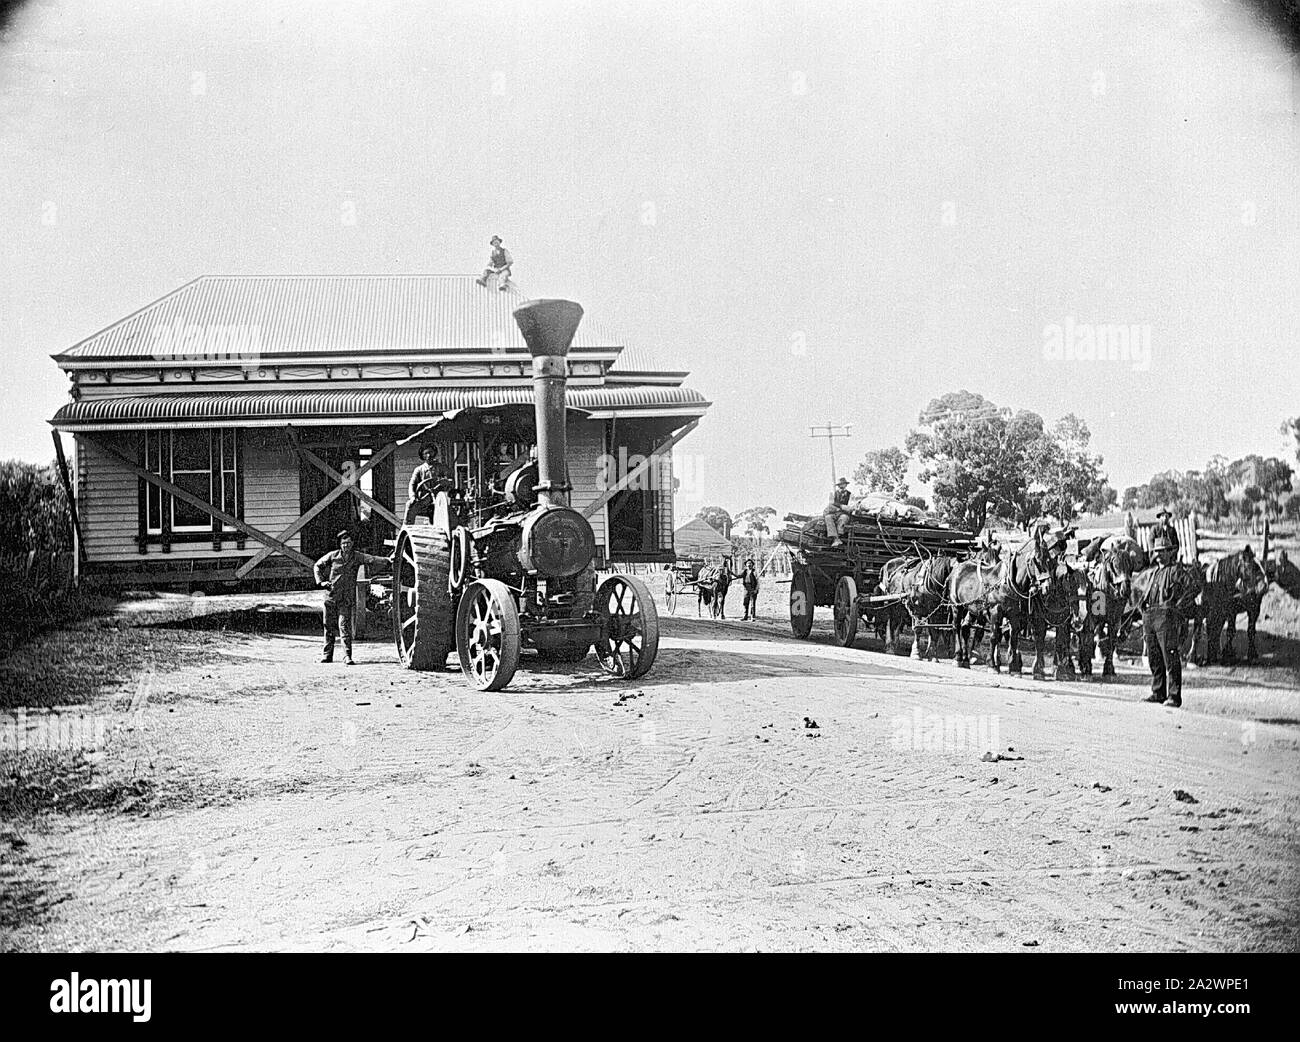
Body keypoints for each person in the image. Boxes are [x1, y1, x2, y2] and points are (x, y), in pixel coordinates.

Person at [314, 530, 391, 665]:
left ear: (352, 544)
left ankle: (347, 656)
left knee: (344, 627)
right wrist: (321, 582)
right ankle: (327, 655)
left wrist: (388, 560)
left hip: (346, 599)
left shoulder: (357, 557)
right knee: (329, 627)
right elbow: (317, 566)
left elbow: (371, 559)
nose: (346, 546)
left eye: (348, 543)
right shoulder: (332, 556)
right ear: (340, 544)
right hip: (331, 597)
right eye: (343, 543)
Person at [1138, 534, 1193, 708]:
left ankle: (1174, 696)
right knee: (1154, 657)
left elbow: (1193, 587)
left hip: (1165, 617)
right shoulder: (1154, 572)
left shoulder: (1175, 570)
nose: (1159, 554)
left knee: (1170, 656)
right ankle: (1158, 692)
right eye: (1157, 551)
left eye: (1163, 551)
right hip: (1150, 616)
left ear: (1170, 552)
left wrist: (1176, 606)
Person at [404, 444, 453, 524]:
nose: (429, 455)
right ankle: (407, 527)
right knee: (410, 504)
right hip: (424, 501)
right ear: (422, 456)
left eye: (430, 452)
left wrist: (445, 481)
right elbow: (412, 484)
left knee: (451, 512)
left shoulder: (441, 467)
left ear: (434, 453)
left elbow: (450, 480)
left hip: (439, 500)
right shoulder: (419, 470)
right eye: (426, 453)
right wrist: (412, 496)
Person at [823, 478, 852, 547]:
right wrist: (841, 507)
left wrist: (845, 508)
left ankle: (838, 536)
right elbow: (831, 503)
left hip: (844, 513)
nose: (841, 486)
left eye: (843, 484)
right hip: (835, 512)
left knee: (843, 518)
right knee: (828, 517)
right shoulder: (834, 493)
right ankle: (836, 539)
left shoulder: (850, 494)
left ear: (846, 485)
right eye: (840, 485)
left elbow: (850, 507)